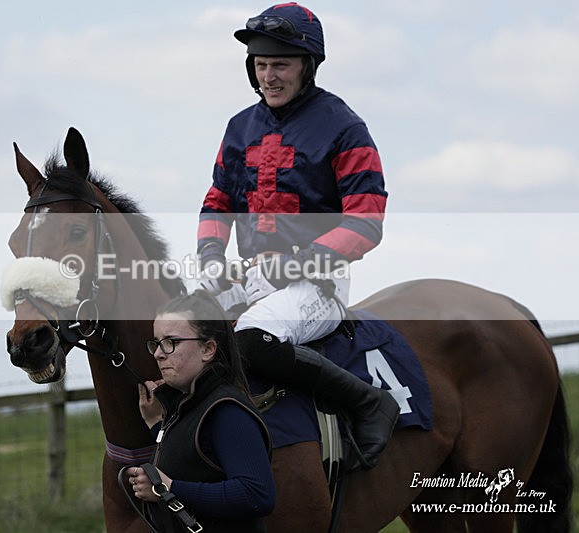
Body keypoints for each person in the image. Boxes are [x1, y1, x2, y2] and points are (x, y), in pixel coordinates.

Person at [196, 2, 400, 473]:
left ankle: (371, 404)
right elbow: (218, 200)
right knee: (180, 333)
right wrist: (210, 256)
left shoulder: (344, 127)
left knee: (247, 340)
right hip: (249, 277)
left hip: (318, 283)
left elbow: (367, 222)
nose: (269, 76)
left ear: (307, 66)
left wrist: (295, 265)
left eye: (280, 65)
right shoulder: (239, 126)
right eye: (261, 65)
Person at [128, 290, 276, 532]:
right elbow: (192, 459)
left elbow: (257, 495)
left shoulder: (227, 410)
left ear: (208, 349)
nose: (157, 353)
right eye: (156, 343)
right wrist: (156, 423)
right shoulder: (189, 405)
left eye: (171, 342)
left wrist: (168, 488)